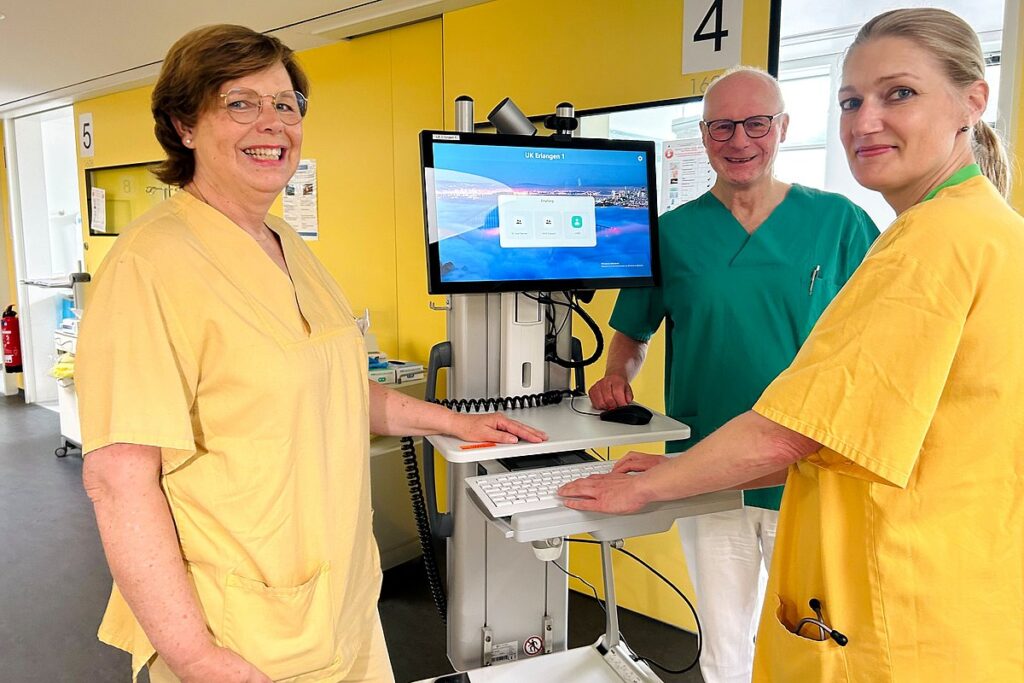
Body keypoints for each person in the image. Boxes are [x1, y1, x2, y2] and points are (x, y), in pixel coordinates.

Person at [562, 7, 1022, 680]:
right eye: (851, 100)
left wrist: (650, 486)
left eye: (900, 93)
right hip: (954, 575)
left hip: (900, 585)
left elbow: (796, 431)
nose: (866, 120)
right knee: (727, 644)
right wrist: (666, 462)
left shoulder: (914, 242)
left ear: (973, 101)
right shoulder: (987, 228)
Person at [76, 25, 545, 683]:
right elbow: (118, 478)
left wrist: (455, 421)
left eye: (286, 103)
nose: (273, 123)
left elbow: (339, 385)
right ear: (184, 124)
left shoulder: (286, 243)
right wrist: (195, 656)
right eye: (241, 103)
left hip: (340, 605)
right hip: (238, 630)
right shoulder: (148, 265)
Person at [588, 67, 877, 683]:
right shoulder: (671, 235)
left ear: (783, 129)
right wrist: (617, 374)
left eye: (756, 124)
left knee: (820, 642)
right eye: (722, 125)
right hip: (707, 461)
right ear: (703, 135)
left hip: (810, 467)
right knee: (723, 641)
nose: (739, 140)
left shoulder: (840, 223)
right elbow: (632, 334)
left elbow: (875, 342)